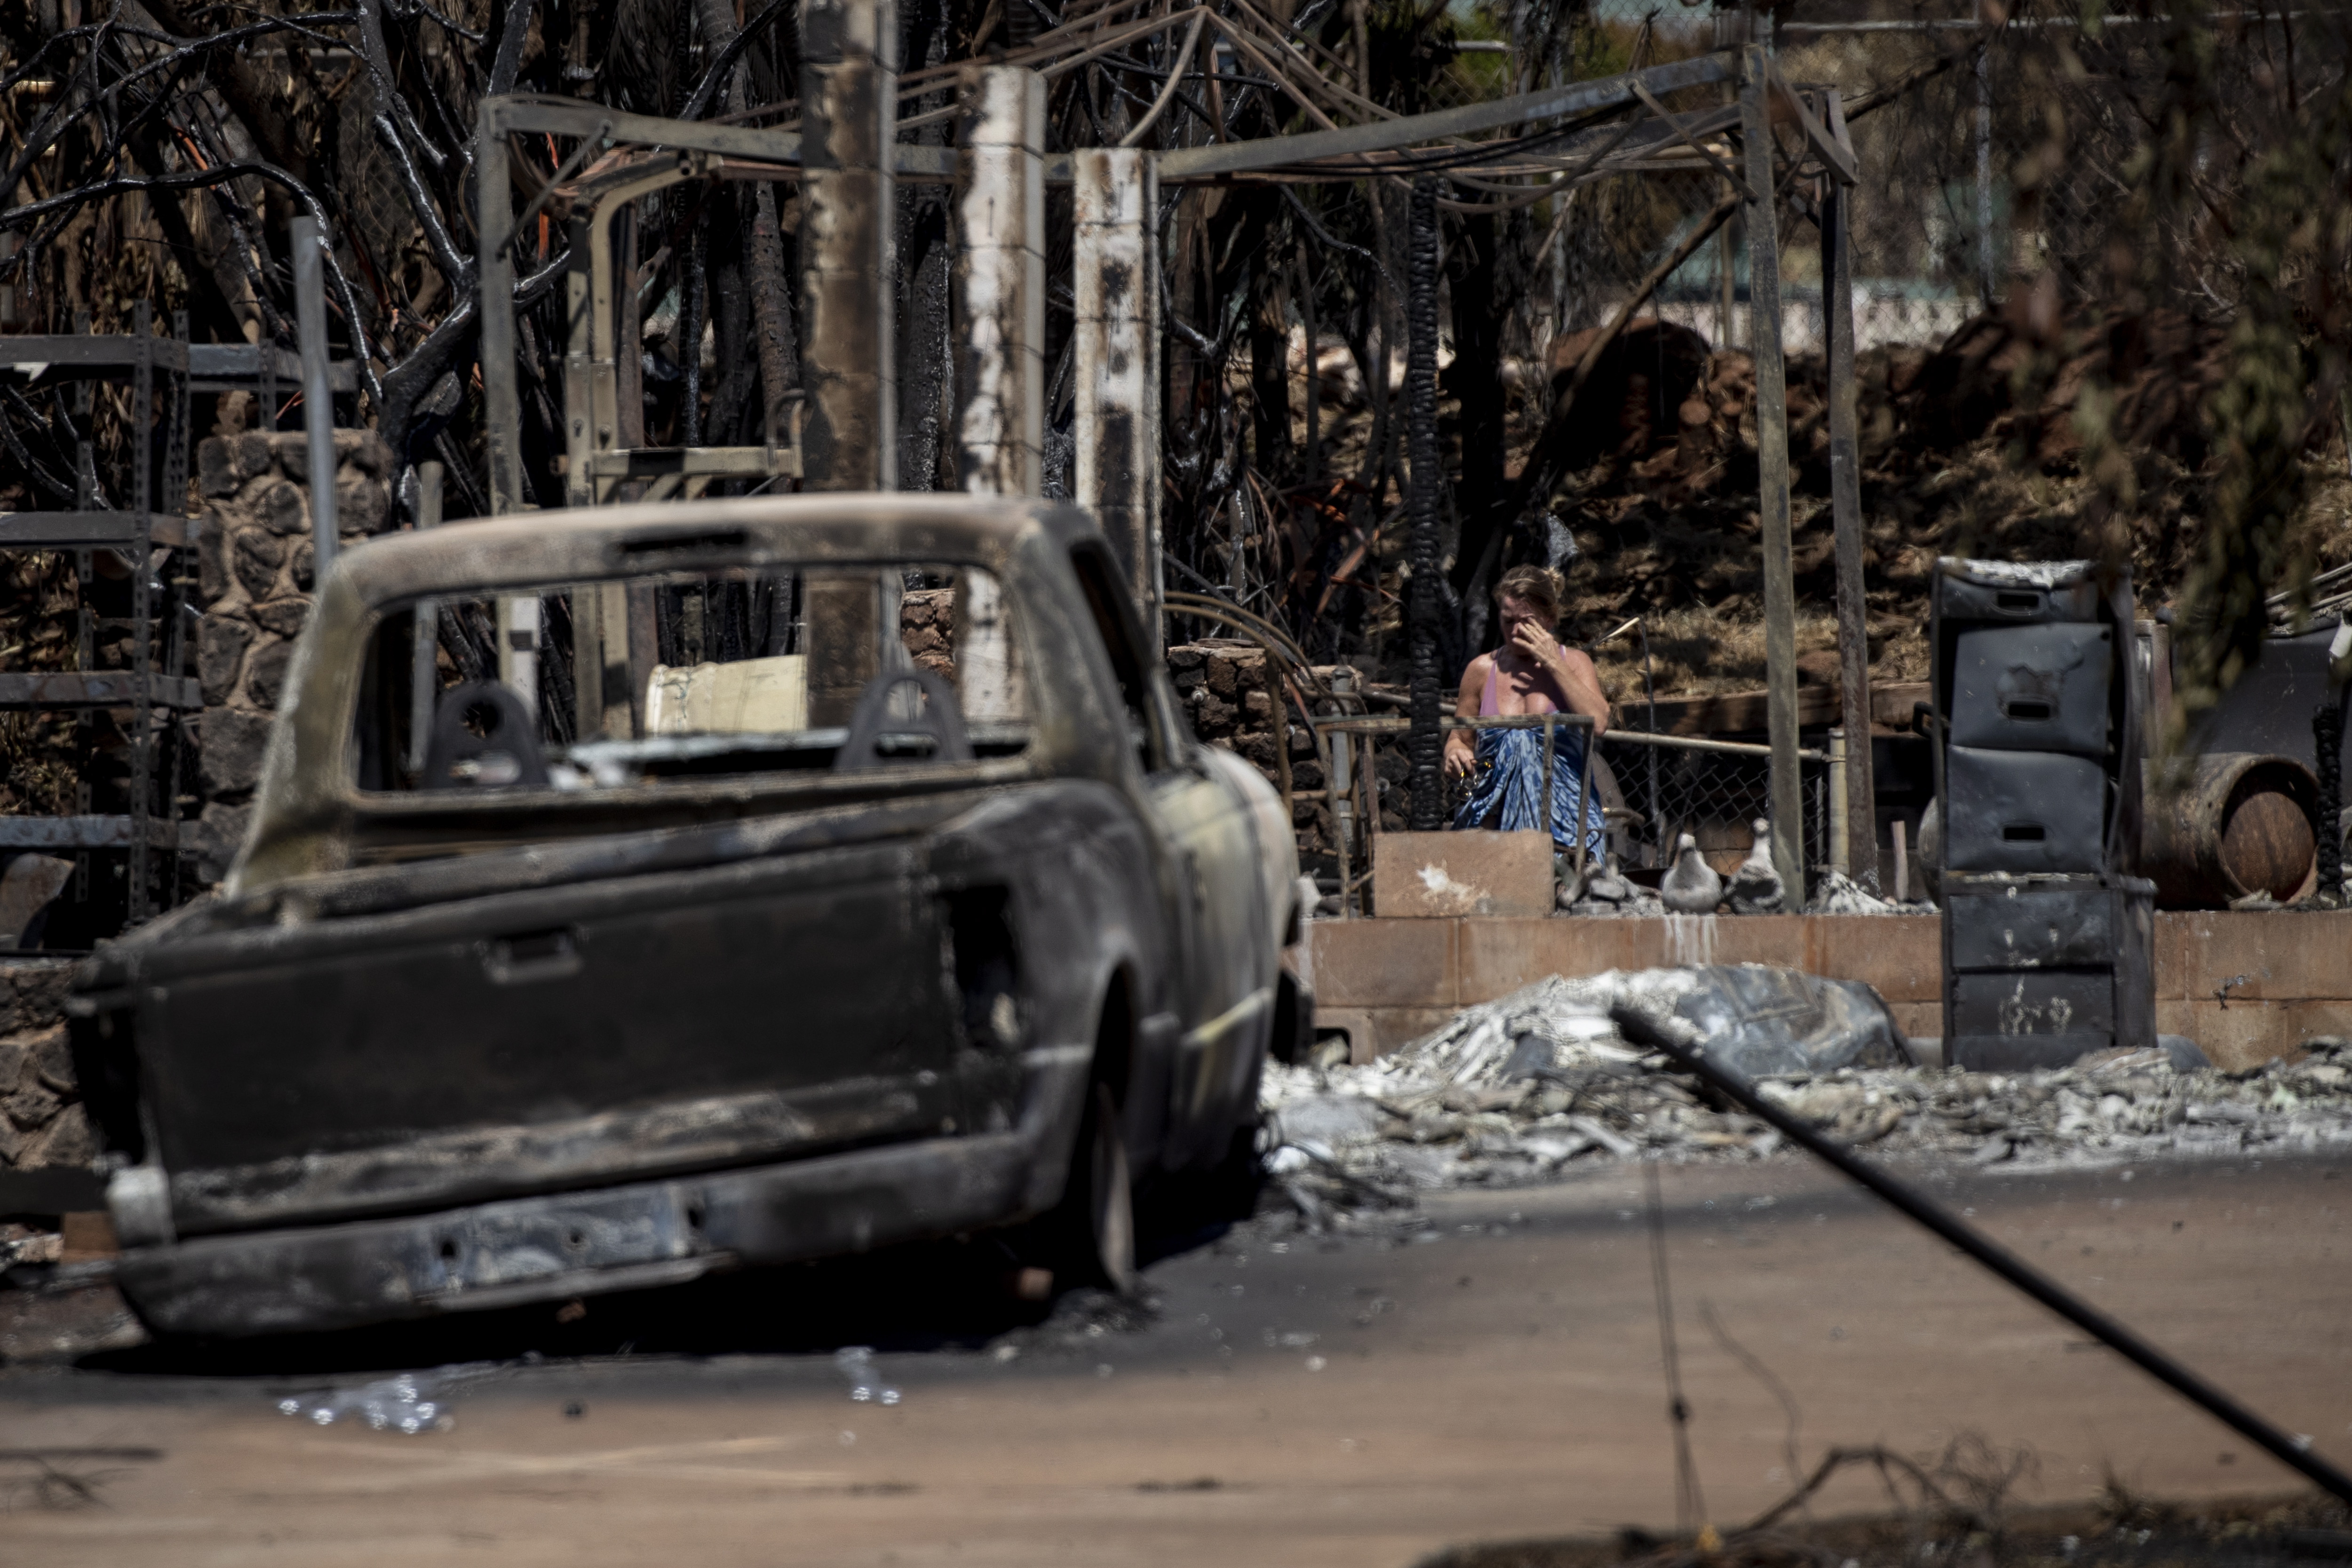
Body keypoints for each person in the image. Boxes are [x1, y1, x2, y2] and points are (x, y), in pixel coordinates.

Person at [1442, 565, 1610, 856]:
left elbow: (1598, 724)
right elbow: (1460, 738)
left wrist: (1553, 663)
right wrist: (1455, 753)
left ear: (1550, 619)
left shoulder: (1574, 663)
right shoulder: (1481, 670)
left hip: (1565, 823)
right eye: (1508, 621)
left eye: (1527, 621)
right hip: (1493, 817)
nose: (1516, 631)